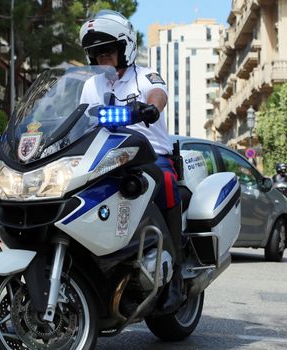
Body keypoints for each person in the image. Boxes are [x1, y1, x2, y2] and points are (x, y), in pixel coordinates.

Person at [79, 10, 183, 312]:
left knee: (162, 178)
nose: (102, 58)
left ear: (125, 49)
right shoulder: (92, 86)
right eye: (96, 53)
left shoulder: (145, 74)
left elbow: (157, 93)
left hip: (148, 155)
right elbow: (80, 117)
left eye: (108, 51)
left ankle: (174, 271)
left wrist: (150, 109)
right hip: (104, 157)